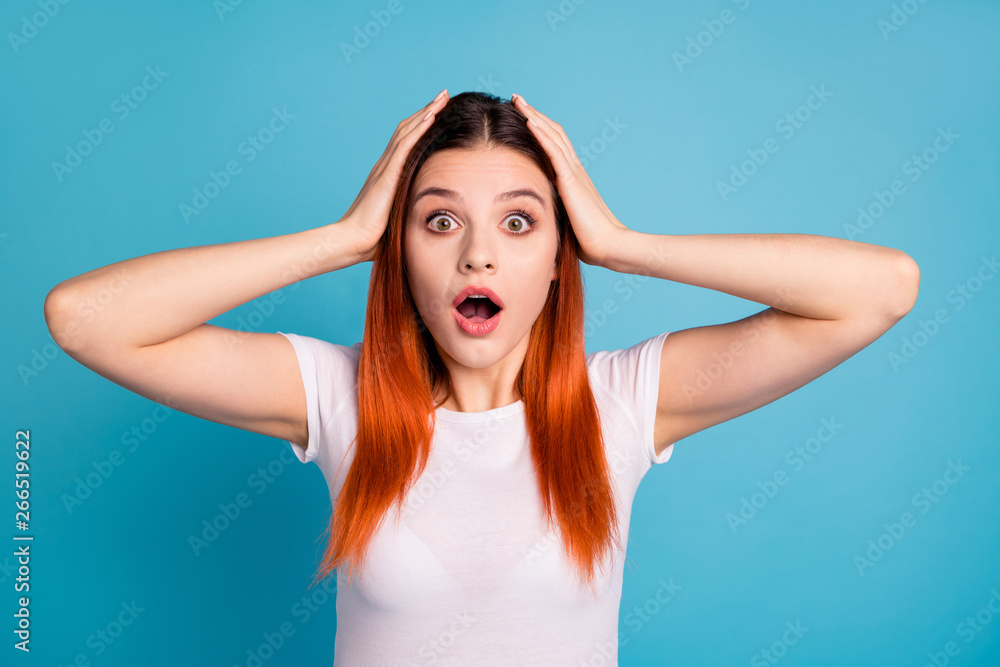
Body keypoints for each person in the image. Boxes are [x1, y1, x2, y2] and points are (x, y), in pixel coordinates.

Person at [43, 88, 920, 665]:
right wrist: (346, 237)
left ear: (555, 259)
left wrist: (622, 245)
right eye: (437, 222)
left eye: (518, 222)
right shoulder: (335, 396)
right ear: (403, 254)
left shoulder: (622, 401)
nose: (477, 254)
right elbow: (85, 319)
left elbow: (882, 290)